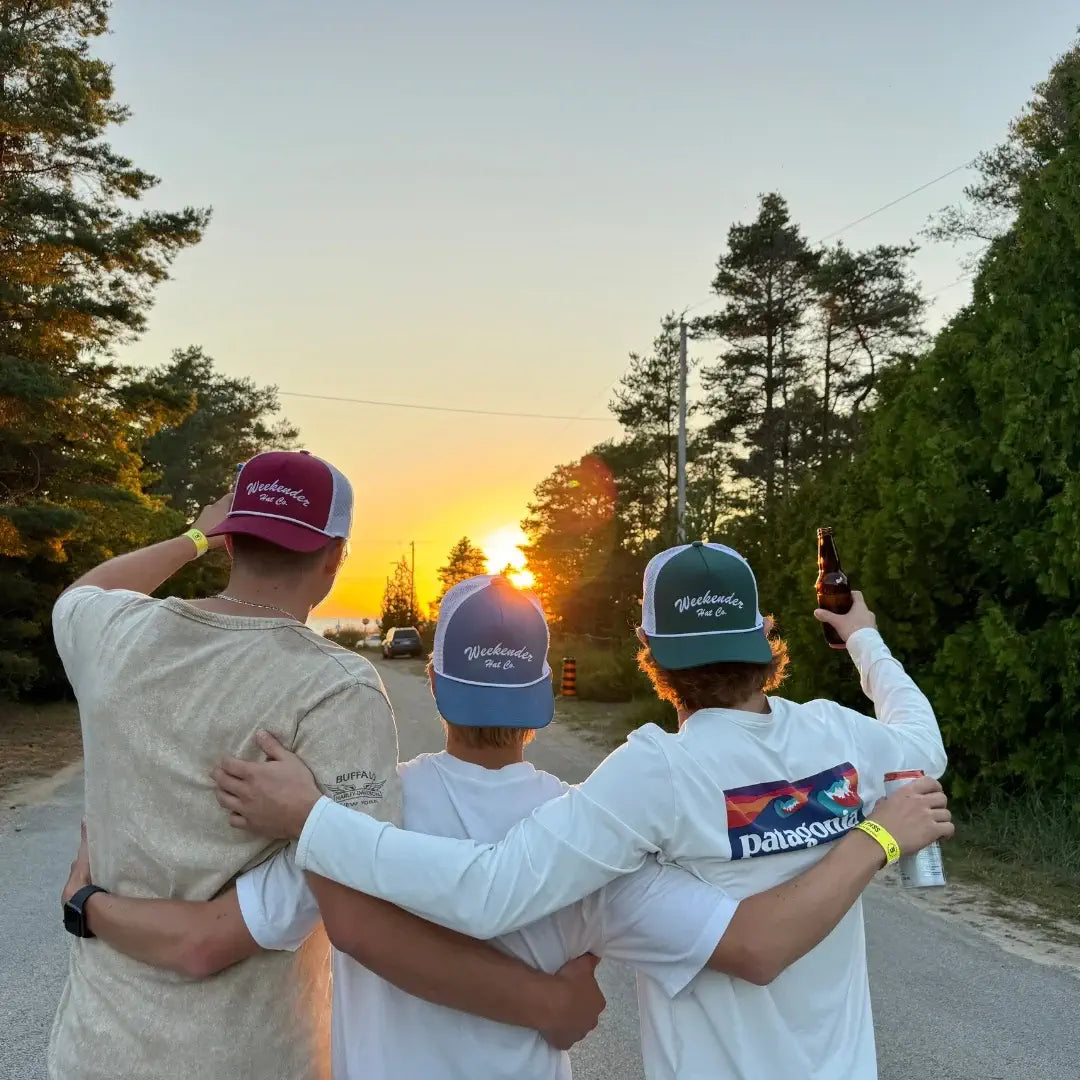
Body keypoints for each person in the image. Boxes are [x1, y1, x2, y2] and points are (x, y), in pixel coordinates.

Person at [66, 572, 951, 1079]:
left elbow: (208, 942)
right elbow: (918, 746)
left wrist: (93, 902)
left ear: (437, 687)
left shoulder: (378, 809)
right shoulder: (615, 831)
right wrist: (865, 643)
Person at [48, 452, 604, 1080]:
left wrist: (193, 535)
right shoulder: (335, 689)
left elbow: (81, 594)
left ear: (233, 540)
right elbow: (357, 918)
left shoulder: (112, 635)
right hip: (249, 1057)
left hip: (93, 1048)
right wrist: (549, 1002)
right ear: (335, 556)